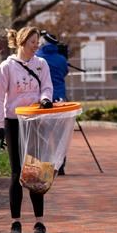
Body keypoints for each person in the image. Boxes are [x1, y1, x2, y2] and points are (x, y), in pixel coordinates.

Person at [0, 26, 53, 233]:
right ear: (22, 43)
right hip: (14, 122)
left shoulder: (41, 64)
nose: (36, 46)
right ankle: (15, 223)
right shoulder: (7, 67)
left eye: (38, 42)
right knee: (17, 172)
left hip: (35, 121)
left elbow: (47, 87)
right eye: (32, 42)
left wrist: (46, 99)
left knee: (36, 172)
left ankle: (39, 223)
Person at [36, 30, 69, 175]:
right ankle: (60, 165)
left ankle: (45, 164)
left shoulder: (37, 57)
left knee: (43, 134)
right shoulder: (61, 59)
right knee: (59, 135)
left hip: (44, 101)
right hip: (60, 99)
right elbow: (64, 72)